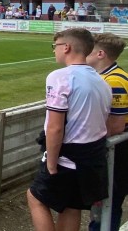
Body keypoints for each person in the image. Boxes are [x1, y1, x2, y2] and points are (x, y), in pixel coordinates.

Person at [27, 28, 112, 231]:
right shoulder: (102, 81)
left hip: (68, 159)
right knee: (71, 207)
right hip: (92, 159)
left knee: (35, 198)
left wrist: (51, 164)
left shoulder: (60, 77)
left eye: (55, 46)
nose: (54, 50)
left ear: (66, 47)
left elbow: (55, 127)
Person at [87, 33, 128, 231]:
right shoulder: (110, 77)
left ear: (100, 54)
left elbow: (116, 126)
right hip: (118, 150)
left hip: (119, 152)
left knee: (108, 202)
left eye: (88, 51)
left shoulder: (113, 81)